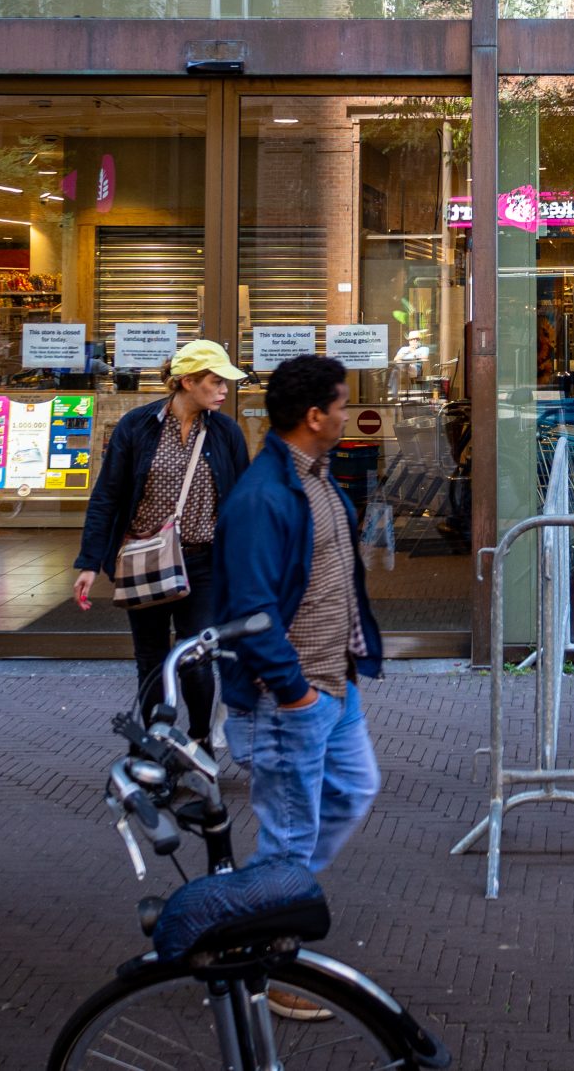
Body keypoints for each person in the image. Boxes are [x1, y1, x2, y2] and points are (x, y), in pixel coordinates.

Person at [215, 353, 383, 882]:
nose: (346, 416)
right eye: (342, 406)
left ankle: (277, 899)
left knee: (354, 788)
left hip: (335, 681)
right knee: (289, 838)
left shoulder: (318, 478)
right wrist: (294, 692)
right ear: (314, 416)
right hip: (293, 695)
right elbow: (251, 605)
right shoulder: (263, 496)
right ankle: (264, 922)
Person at [75, 340, 251, 744]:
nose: (225, 389)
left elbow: (242, 501)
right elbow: (108, 495)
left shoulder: (224, 432)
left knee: (197, 659)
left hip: (202, 562)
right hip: (144, 561)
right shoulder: (137, 426)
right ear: (187, 381)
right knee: (151, 660)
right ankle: (156, 741)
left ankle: (200, 740)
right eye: (216, 381)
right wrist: (89, 561)